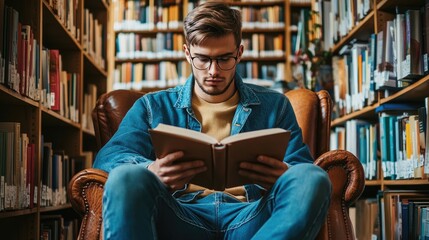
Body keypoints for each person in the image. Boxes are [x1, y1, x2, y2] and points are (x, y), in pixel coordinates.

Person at [93, 2, 331, 239]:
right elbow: (108, 159)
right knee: (127, 176)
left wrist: (283, 174)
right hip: (179, 215)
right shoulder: (152, 106)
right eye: (202, 59)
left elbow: (301, 168)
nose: (213, 71)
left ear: (240, 52)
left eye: (224, 59)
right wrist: (151, 170)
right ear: (187, 53)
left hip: (251, 217)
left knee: (312, 178)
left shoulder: (275, 106)